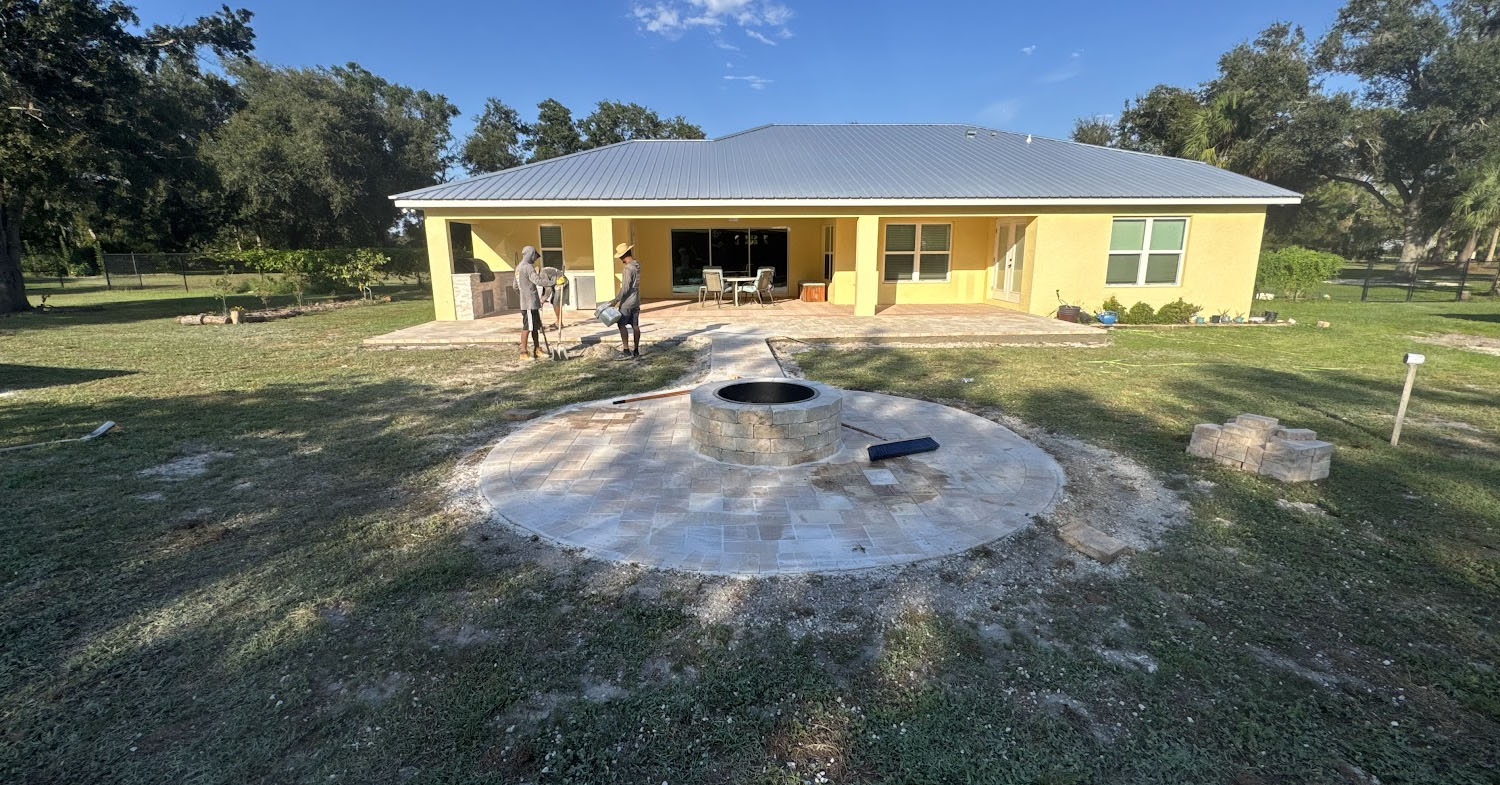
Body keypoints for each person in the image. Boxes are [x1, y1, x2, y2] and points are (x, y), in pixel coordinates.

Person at [514, 246, 550, 359]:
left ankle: (537, 349)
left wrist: (523, 295)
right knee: (528, 327)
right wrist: (551, 282)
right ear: (531, 254)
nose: (535, 258)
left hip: (528, 302)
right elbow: (537, 281)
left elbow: (515, 286)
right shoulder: (528, 267)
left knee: (535, 327)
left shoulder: (518, 268)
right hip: (529, 304)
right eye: (535, 255)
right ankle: (523, 352)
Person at [610, 242, 642, 357]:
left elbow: (626, 288)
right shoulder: (637, 265)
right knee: (635, 325)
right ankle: (636, 350)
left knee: (621, 324)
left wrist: (615, 300)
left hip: (627, 302)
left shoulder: (628, 269)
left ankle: (626, 349)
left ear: (623, 257)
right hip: (636, 300)